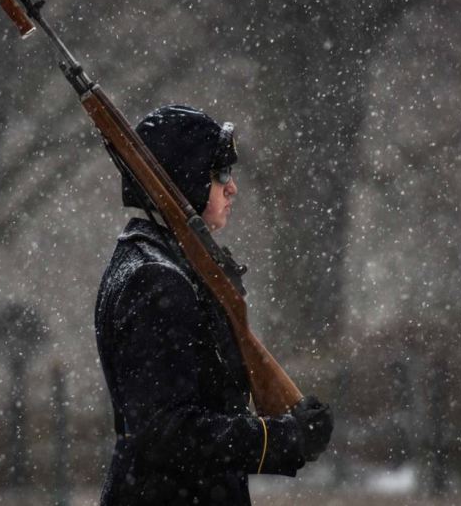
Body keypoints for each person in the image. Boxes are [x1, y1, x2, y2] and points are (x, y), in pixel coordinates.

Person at [95, 105, 334, 505]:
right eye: (218, 173)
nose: (232, 187)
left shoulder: (159, 264)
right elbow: (167, 432)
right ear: (184, 177)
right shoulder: (156, 279)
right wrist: (279, 438)